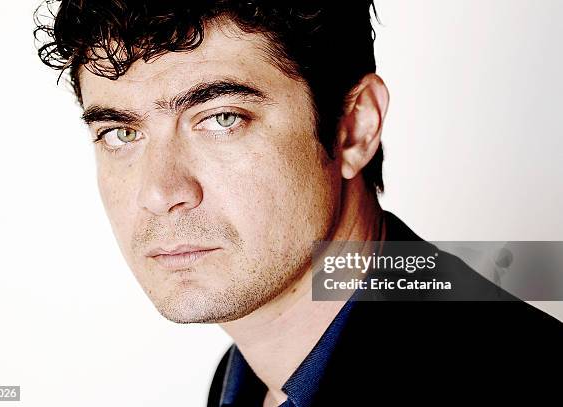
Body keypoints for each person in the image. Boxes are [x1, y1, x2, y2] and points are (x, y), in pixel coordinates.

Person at [34, 1, 562, 405]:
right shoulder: (243, 378)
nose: (160, 193)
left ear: (355, 128)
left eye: (222, 118)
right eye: (120, 133)